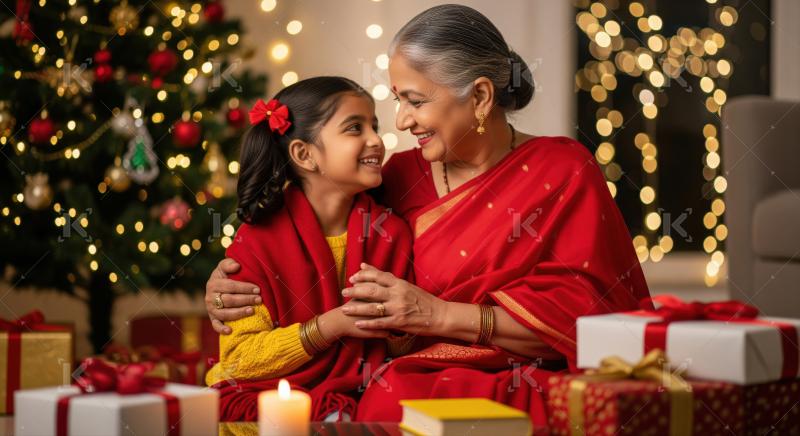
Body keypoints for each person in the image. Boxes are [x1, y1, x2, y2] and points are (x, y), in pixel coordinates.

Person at [205, 5, 650, 431]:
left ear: (479, 96)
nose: (400, 122)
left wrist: (439, 315)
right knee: (390, 398)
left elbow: (597, 322)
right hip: (414, 384)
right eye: (397, 101)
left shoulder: (563, 170)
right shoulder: (394, 178)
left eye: (414, 101)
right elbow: (309, 220)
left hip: (536, 379)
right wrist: (231, 279)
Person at [204, 76, 414, 422]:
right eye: (354, 128)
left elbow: (397, 348)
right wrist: (331, 325)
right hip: (264, 391)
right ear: (304, 154)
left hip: (355, 391)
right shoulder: (257, 240)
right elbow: (240, 359)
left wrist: (399, 326)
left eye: (373, 126)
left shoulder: (391, 232)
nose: (376, 140)